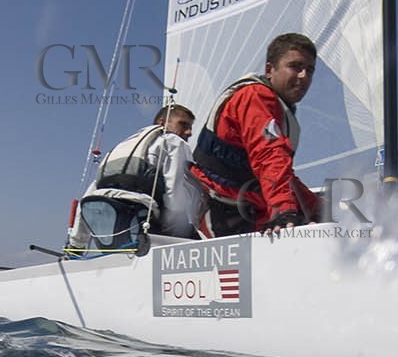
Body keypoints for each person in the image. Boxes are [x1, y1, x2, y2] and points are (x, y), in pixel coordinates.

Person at [190, 33, 324, 236]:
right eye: (295, 67)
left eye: (310, 70)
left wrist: (318, 208)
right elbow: (269, 156)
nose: (304, 76)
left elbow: (282, 173)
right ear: (270, 70)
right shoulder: (255, 97)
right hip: (223, 215)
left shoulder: (278, 107)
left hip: (249, 211)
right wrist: (284, 210)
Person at [72, 105, 204, 250]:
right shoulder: (174, 142)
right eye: (183, 125)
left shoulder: (122, 147)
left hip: (111, 236)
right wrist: (176, 230)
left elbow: (88, 196)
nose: (189, 132)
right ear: (162, 123)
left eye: (190, 127)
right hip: (145, 228)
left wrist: (77, 245)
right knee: (204, 245)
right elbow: (175, 191)